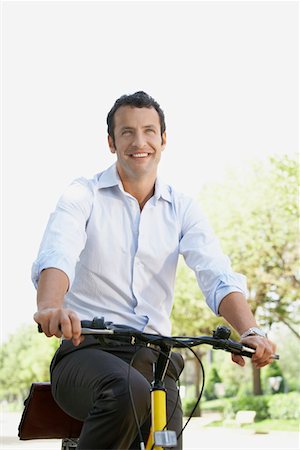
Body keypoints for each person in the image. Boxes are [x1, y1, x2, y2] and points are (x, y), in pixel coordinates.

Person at [32, 91, 276, 450]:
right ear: (111, 142)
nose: (139, 141)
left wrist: (249, 330)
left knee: (165, 440)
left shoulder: (182, 209)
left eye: (149, 130)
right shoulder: (83, 195)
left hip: (156, 363)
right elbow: (58, 250)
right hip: (87, 353)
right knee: (126, 390)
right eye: (127, 132)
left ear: (163, 139)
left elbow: (215, 271)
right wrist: (51, 305)